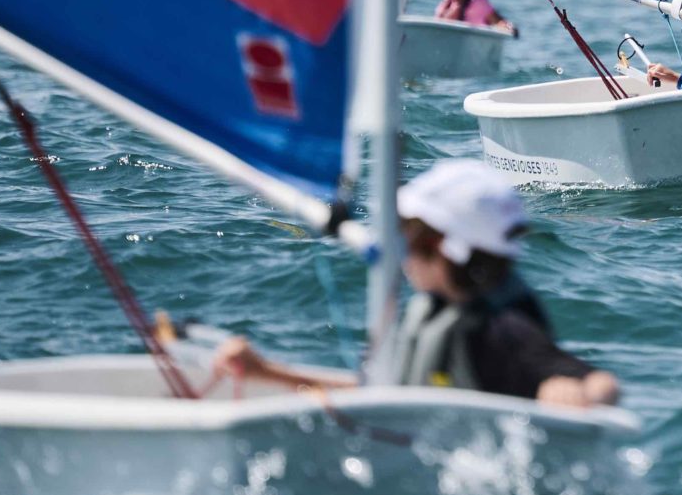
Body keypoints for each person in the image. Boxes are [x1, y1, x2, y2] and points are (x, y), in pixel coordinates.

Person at [209, 159, 619, 407]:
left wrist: (571, 393)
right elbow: (383, 396)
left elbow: (602, 384)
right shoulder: (437, 310)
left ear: (440, 247)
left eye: (407, 238)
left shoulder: (500, 330)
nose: (399, 252)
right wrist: (266, 372)